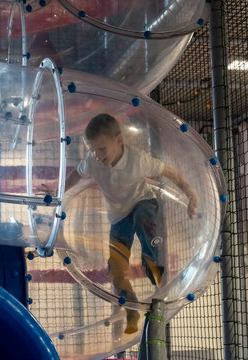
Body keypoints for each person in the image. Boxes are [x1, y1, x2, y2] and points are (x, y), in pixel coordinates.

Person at [62, 113, 199, 334]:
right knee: (116, 271)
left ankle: (154, 267)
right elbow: (76, 176)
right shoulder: (92, 161)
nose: (97, 155)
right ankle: (132, 309)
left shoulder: (138, 160)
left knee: (142, 219)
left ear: (119, 141)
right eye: (93, 149)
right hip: (117, 217)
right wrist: (59, 191)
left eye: (102, 149)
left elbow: (172, 173)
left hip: (142, 202)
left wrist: (191, 194)